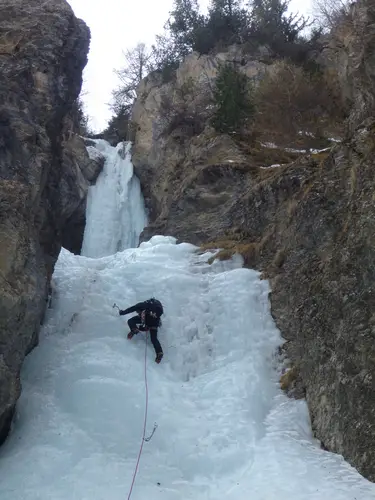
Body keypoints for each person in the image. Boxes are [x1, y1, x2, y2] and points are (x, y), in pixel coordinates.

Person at [119, 298, 164, 364]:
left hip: (150, 322)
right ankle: (159, 352)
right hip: (155, 323)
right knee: (154, 339)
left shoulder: (142, 305)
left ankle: (134, 329)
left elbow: (131, 309)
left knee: (130, 321)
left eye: (138, 312)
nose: (138, 313)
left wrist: (122, 312)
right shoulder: (151, 308)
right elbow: (157, 322)